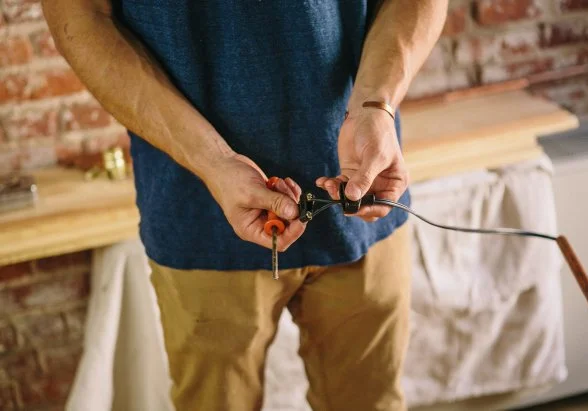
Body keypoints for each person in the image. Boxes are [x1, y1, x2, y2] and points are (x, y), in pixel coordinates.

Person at [43, 1, 447, 410]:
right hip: (199, 213)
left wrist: (376, 105)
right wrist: (213, 161)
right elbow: (80, 18)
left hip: (365, 199)